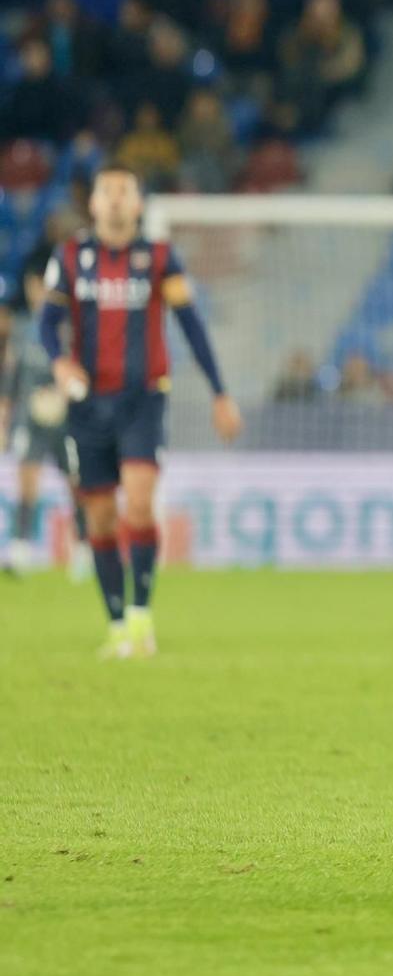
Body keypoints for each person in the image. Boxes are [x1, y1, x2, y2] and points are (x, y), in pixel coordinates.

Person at [41, 166, 244, 658]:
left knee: (138, 500)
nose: (113, 200)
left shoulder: (158, 258)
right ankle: (115, 624)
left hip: (142, 399)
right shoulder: (70, 258)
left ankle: (140, 618)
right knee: (102, 516)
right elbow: (47, 325)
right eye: (105, 192)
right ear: (92, 204)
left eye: (123, 192)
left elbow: (191, 324)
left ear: (138, 204)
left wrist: (220, 392)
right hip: (88, 405)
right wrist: (62, 362)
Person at [2, 263, 90, 577]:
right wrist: (4, 416)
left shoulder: (71, 329)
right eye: (29, 287)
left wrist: (64, 396)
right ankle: (20, 550)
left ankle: (83, 550)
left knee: (76, 485)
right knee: (26, 483)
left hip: (66, 421)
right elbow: (11, 377)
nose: (33, 293)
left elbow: (83, 374)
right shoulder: (23, 328)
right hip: (30, 418)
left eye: (38, 286)